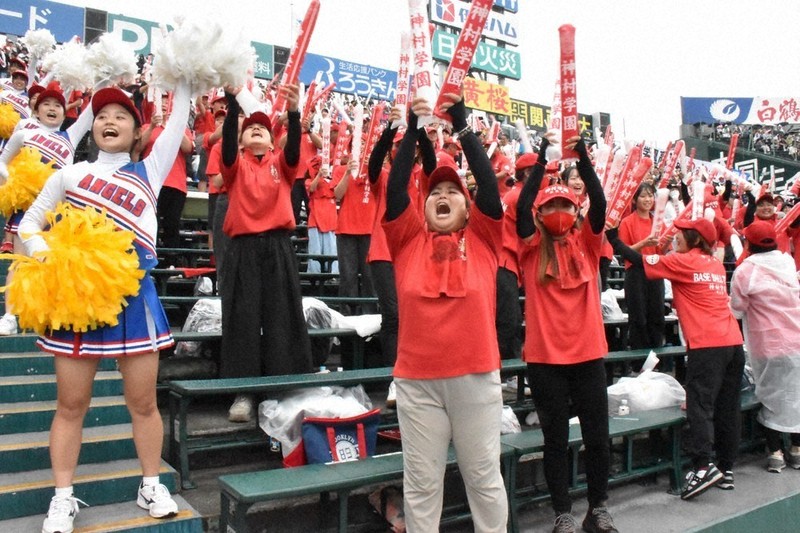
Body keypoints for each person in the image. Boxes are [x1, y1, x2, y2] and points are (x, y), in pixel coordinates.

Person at [18, 83, 190, 533]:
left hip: (134, 298)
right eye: (101, 116)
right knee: (71, 404)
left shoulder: (149, 171)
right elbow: (30, 226)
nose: (108, 121)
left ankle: (150, 483)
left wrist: (186, 72)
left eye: (121, 116)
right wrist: (51, 258)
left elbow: (177, 121)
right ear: (91, 127)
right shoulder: (69, 175)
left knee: (143, 402)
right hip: (78, 302)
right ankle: (62, 498)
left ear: (137, 132)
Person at [383, 94, 507, 532]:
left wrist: (461, 124)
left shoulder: (484, 239)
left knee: (483, 478)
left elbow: (490, 189)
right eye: (435, 190)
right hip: (417, 385)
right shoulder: (407, 240)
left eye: (453, 191)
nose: (443, 195)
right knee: (421, 484)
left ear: (467, 206)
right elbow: (396, 188)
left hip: (475, 379)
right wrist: (415, 128)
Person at [517, 133, 618, 533]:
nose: (558, 210)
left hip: (589, 354)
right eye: (551, 205)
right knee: (555, 441)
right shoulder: (529, 246)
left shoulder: (590, 243)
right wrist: (543, 162)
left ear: (576, 211)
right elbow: (523, 206)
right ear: (541, 214)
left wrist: (584, 159)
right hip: (545, 359)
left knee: (598, 438)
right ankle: (563, 513)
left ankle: (598, 508)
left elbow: (602, 203)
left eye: (565, 204)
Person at [607, 216, 745, 500]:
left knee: (700, 405)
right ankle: (726, 468)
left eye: (682, 233)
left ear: (695, 239)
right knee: (727, 407)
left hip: (707, 346)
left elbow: (640, 261)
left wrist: (614, 240)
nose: (676, 237)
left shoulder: (685, 262)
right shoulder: (715, 264)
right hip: (733, 342)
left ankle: (702, 466)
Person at [218, 84, 313, 422]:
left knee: (280, 314)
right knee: (242, 318)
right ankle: (243, 392)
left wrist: (294, 114)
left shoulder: (280, 165)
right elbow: (227, 147)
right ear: (243, 140)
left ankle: (279, 387)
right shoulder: (235, 167)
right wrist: (233, 108)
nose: (256, 129)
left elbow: (294, 152)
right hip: (242, 248)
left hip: (277, 246)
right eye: (250, 128)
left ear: (274, 141)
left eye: (263, 128)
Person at [0, 87, 95, 335]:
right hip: (30, 206)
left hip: (60, 209)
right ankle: (10, 315)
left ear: (65, 112)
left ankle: (50, 314)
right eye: (46, 104)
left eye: (58, 105)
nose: (52, 109)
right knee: (21, 261)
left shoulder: (70, 136)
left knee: (53, 261)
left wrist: (105, 76)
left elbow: (91, 111)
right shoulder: (24, 133)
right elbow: (2, 160)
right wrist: (17, 182)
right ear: (36, 110)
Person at [729, 220, 800, 473]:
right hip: (796, 340)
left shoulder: (746, 270)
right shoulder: (787, 262)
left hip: (768, 343)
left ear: (749, 243)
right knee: (794, 397)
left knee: (770, 397)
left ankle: (775, 453)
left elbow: (736, 308)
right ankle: (796, 450)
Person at [612, 182, 665, 351]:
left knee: (657, 316)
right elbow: (624, 250)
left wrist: (667, 240)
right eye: (643, 196)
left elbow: (661, 250)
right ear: (634, 200)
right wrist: (644, 243)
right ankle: (639, 362)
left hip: (655, 272)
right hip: (635, 273)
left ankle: (656, 359)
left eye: (650, 195)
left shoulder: (657, 222)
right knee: (638, 317)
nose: (647, 199)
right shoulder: (627, 222)